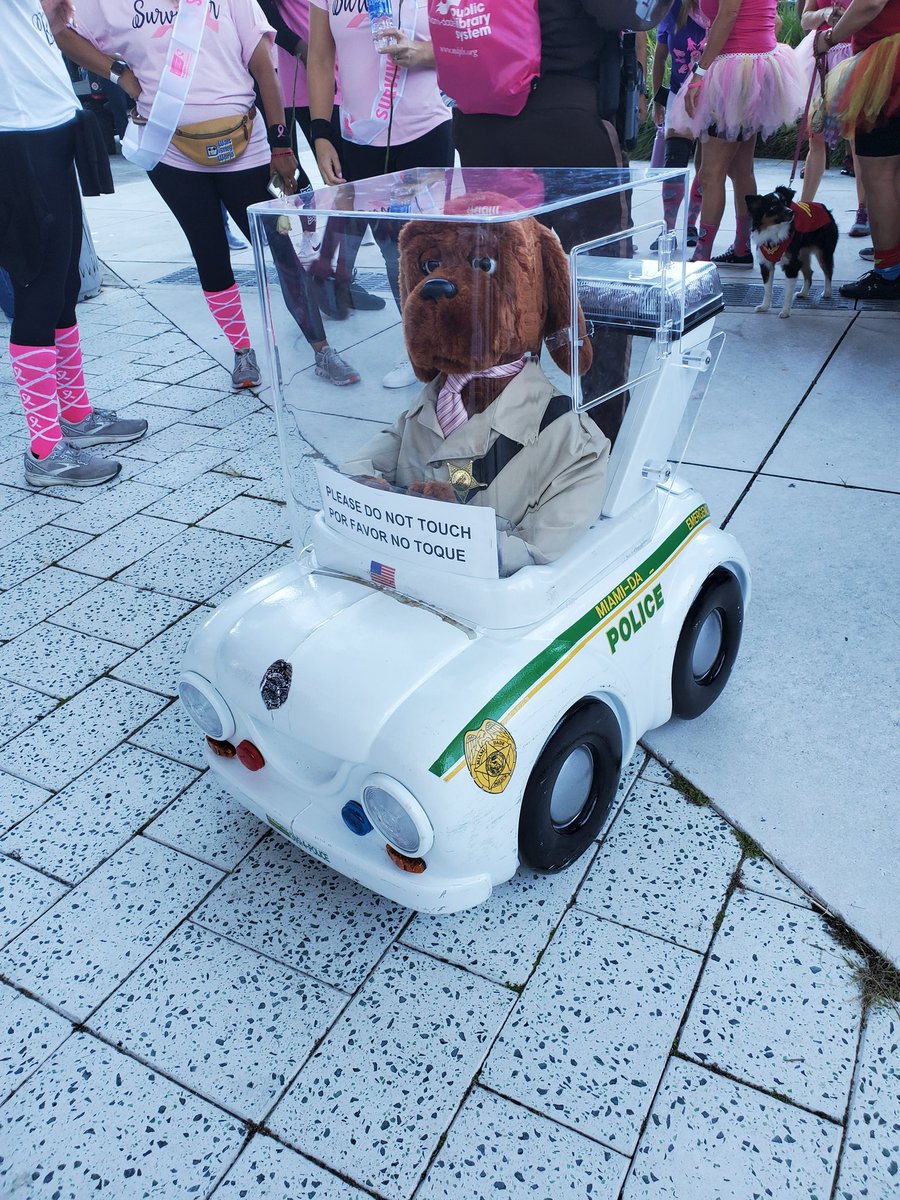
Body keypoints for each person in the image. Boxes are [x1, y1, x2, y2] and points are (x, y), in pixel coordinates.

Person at [58, 0, 361, 389]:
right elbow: (61, 29)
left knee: (284, 250)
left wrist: (281, 145)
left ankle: (321, 348)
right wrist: (119, 73)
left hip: (247, 146)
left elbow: (263, 68)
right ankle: (241, 352)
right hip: (171, 150)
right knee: (209, 253)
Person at [0, 0, 148, 488]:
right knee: (38, 287)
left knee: (63, 283)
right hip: (17, 137)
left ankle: (76, 417)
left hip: (50, 127)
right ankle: (44, 451)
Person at [307, 0, 454, 389]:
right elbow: (320, 59)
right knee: (395, 252)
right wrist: (321, 133)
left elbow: (470, 44)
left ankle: (453, 348)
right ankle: (418, 348)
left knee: (435, 248)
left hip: (426, 131)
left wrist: (423, 53)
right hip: (360, 136)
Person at [674, 0, 806, 263]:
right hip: (756, 65)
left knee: (711, 173)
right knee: (741, 169)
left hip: (735, 70)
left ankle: (702, 258)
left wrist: (700, 73)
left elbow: (728, 15)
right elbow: (775, 20)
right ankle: (742, 248)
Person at [814, 0, 900, 297]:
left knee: (880, 176)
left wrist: (830, 37)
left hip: (889, 64)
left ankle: (889, 274)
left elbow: (870, 4)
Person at [796, 0, 867, 231]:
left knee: (858, 139)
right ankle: (804, 209)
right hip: (821, 57)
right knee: (815, 138)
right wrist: (825, 13)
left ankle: (864, 210)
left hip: (856, 56)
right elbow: (805, 19)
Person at [651, 0, 707, 248]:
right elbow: (660, 57)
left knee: (707, 167)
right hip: (678, 95)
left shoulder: (718, 7)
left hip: (713, 96)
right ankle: (668, 230)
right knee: (674, 160)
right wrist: (657, 100)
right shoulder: (671, 9)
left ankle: (691, 225)